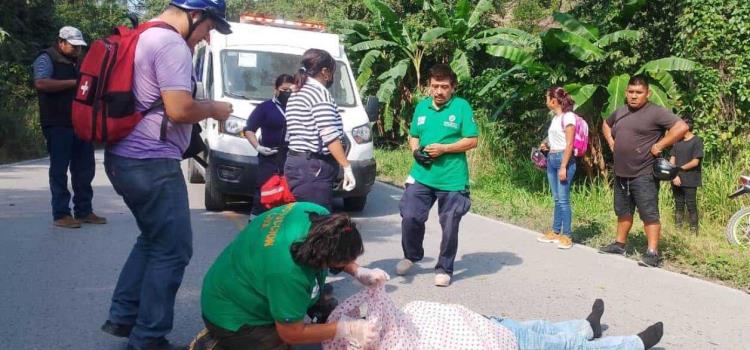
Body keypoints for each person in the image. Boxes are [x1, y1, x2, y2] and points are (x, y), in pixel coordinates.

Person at [99, 1, 233, 349]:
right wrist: (214, 108)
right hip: (151, 163)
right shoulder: (171, 44)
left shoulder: (146, 35)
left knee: (152, 239)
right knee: (173, 250)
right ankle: (148, 338)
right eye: (209, 27)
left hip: (124, 158)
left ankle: (124, 316)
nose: (206, 38)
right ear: (195, 15)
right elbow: (179, 109)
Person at [200, 202, 389, 349]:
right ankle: (220, 342)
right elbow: (291, 333)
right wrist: (347, 329)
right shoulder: (288, 273)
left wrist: (358, 271)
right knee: (281, 341)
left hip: (247, 277)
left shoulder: (318, 216)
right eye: (341, 263)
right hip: (232, 314)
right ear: (321, 258)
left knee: (318, 301)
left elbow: (334, 247)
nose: (347, 265)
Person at [396, 64, 478, 287]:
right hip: (421, 175)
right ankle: (411, 255)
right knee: (410, 216)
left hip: (452, 179)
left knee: (450, 224)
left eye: (444, 87)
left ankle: (444, 267)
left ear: (453, 87)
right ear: (429, 86)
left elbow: (472, 140)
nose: (439, 91)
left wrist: (444, 148)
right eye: (435, 86)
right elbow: (413, 135)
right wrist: (415, 151)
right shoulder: (422, 107)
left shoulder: (461, 107)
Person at [600, 75, 688, 267]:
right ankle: (619, 244)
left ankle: (652, 253)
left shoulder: (656, 113)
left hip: (644, 173)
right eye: (631, 92)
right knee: (623, 211)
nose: (634, 96)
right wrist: (611, 142)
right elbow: (606, 124)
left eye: (638, 93)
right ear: (626, 92)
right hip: (622, 172)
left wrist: (660, 145)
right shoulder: (621, 112)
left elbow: (681, 127)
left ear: (647, 94)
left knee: (649, 213)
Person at [32, 26, 106, 229]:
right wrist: (74, 82)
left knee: (85, 169)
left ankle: (84, 211)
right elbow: (41, 83)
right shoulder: (46, 58)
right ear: (61, 42)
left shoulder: (80, 62)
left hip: (80, 123)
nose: (77, 51)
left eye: (79, 47)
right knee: (59, 170)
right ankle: (61, 213)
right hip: (57, 123)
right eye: (73, 47)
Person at [284, 49, 356, 211]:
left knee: (302, 220)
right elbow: (329, 135)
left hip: (297, 163)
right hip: (313, 168)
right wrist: (346, 166)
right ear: (325, 72)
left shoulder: (298, 91)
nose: (332, 77)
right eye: (332, 72)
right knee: (317, 223)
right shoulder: (318, 93)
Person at [488, 299, 664, 350]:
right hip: (490, 343)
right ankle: (634, 344)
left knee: (539, 327)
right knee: (568, 345)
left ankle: (588, 327)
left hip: (482, 324)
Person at [243, 74, 295, 215]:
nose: (287, 93)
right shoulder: (266, 108)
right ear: (276, 90)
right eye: (284, 89)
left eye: (291, 90)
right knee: (264, 194)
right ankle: (255, 225)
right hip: (269, 157)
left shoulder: (297, 108)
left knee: (288, 196)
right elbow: (248, 129)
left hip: (290, 158)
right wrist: (258, 147)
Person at [538, 86, 578, 249]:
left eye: (547, 98)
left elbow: (569, 144)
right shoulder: (556, 118)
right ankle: (555, 232)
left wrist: (563, 166)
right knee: (556, 198)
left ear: (554, 100)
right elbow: (558, 139)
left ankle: (567, 235)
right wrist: (546, 145)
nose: (546, 101)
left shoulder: (569, 117)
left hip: (563, 159)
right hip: (552, 157)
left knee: (563, 199)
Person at [670, 118, 703, 233]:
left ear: (687, 127)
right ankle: (678, 229)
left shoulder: (697, 141)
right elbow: (672, 160)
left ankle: (694, 231)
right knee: (678, 204)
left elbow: (695, 162)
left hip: (690, 179)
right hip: (676, 179)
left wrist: (679, 169)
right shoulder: (677, 142)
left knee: (691, 205)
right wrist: (674, 175)